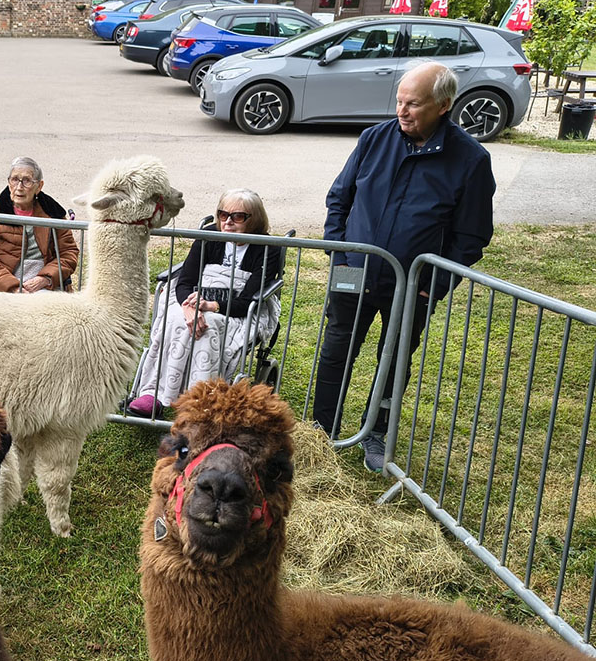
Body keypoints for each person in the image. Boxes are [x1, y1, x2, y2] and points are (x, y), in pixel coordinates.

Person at [312, 61, 495, 470]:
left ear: (443, 105)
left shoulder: (470, 159)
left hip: (413, 285)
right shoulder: (374, 139)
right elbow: (339, 198)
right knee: (336, 348)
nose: (402, 110)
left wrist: (434, 284)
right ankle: (320, 430)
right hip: (353, 271)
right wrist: (338, 250)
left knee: (394, 358)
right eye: (399, 101)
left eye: (414, 104)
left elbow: (471, 237)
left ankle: (374, 434)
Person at [127, 189, 281, 418]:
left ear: (254, 219)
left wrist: (211, 306)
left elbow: (247, 300)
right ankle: (154, 393)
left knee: (208, 328)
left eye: (237, 216)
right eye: (222, 214)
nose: (227, 221)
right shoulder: (209, 236)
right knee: (175, 319)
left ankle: (202, 401)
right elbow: (186, 281)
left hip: (234, 308)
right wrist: (190, 309)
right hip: (195, 299)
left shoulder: (268, 248)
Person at [0, 157, 79, 293]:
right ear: (9, 183)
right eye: (15, 179)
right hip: (2, 287)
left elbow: (68, 253)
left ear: (39, 186)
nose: (19, 187)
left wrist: (45, 279)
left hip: (44, 286)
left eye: (27, 181)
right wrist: (12, 286)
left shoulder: (53, 213)